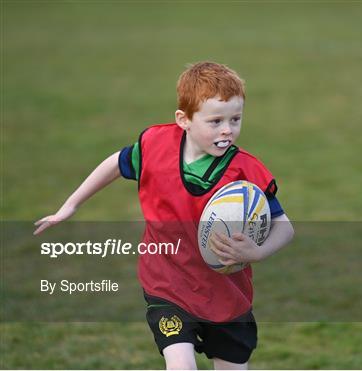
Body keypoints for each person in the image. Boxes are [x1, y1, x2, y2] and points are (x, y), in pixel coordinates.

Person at [34, 61, 295, 369]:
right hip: (167, 283)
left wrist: (258, 251)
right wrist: (71, 205)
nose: (227, 129)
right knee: (180, 365)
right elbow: (117, 163)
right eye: (215, 121)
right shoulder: (156, 146)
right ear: (183, 120)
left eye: (235, 119)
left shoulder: (246, 171)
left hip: (226, 295)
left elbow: (285, 227)